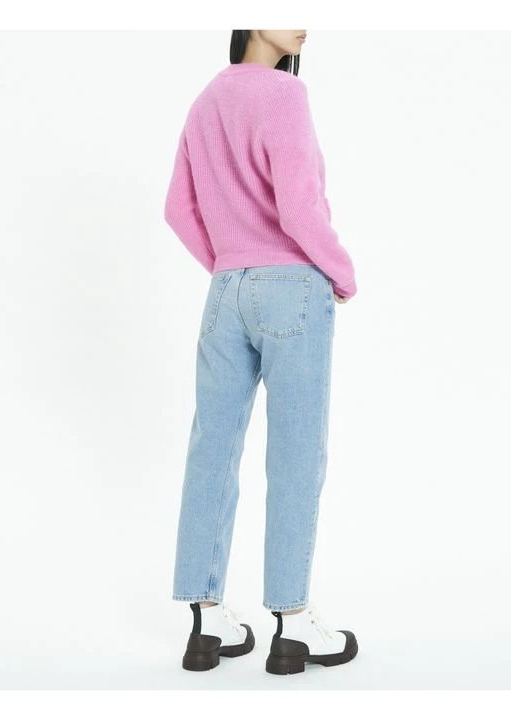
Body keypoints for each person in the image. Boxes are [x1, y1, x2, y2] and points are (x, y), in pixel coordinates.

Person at [164, 29, 359, 675]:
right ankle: (292, 624)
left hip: (224, 291)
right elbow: (299, 207)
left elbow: (177, 208)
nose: (303, 21)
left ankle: (205, 621)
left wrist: (228, 263)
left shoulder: (204, 101)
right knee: (296, 454)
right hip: (292, 285)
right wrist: (340, 271)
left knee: (212, 450)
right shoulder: (284, 93)